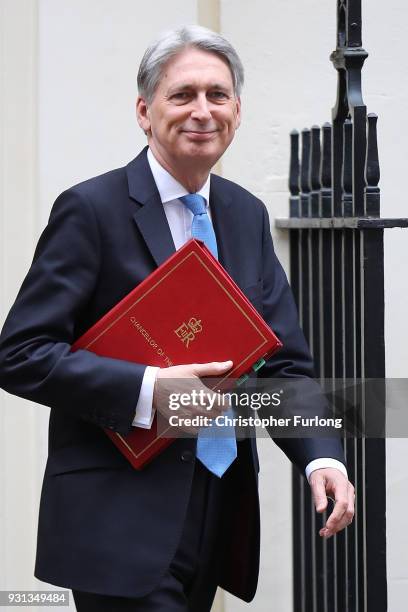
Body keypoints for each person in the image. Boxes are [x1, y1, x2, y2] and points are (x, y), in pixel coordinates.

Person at [0, 25, 354, 612]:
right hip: (115, 518)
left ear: (238, 111)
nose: (202, 111)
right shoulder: (90, 210)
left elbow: (284, 364)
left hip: (218, 508)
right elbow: (21, 353)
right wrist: (148, 391)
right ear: (144, 110)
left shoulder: (244, 214)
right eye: (182, 95)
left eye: (218, 96)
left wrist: (321, 455)